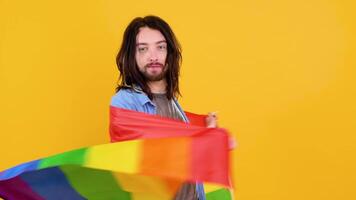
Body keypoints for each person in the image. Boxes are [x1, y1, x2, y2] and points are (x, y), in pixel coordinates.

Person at [110, 15, 217, 200]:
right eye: (143, 49)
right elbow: (128, 166)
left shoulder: (173, 103)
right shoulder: (124, 102)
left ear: (169, 53)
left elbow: (189, 167)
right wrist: (197, 142)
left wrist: (209, 137)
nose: (153, 56)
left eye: (160, 47)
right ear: (131, 56)